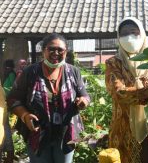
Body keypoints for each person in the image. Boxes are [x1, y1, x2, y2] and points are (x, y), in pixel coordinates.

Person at [7, 33, 90, 163]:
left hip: (65, 134)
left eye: (60, 50)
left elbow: (84, 95)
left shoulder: (73, 72)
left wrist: (83, 101)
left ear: (66, 52)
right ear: (43, 50)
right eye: (51, 49)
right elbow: (13, 99)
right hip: (36, 133)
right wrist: (25, 115)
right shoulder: (30, 72)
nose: (55, 52)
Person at [105, 17, 148, 163]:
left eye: (133, 32)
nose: (129, 37)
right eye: (123, 33)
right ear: (118, 37)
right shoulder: (113, 63)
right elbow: (119, 93)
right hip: (125, 127)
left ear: (142, 34)